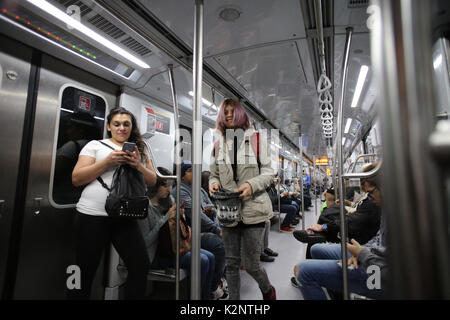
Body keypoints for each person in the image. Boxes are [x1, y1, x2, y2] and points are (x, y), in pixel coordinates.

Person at [70, 107, 157, 299]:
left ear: (131, 126)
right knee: (83, 270)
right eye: (116, 124)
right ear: (109, 126)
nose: (122, 128)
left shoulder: (139, 149)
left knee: (140, 265)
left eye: (126, 124)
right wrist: (107, 162)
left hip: (124, 215)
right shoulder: (95, 146)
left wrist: (137, 165)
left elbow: (152, 181)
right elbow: (77, 178)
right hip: (91, 214)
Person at [209, 98, 276, 300]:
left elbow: (268, 172)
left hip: (253, 209)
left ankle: (267, 289)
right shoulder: (218, 145)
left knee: (252, 264)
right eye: (225, 111)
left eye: (232, 111)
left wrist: (251, 185)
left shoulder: (257, 140)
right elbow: (213, 173)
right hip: (229, 212)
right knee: (231, 263)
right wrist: (213, 183)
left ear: (240, 113)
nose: (228, 114)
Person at [294, 166, 386, 300]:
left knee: (303, 271)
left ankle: (320, 231)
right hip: (368, 253)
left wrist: (362, 254)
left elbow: (351, 223)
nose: (368, 195)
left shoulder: (379, 207)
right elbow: (378, 241)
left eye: (370, 192)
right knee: (316, 248)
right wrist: (363, 252)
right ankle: (319, 232)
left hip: (378, 275)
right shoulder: (382, 206)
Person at [139, 167, 220, 300]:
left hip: (172, 248)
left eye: (171, 186)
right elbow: (146, 241)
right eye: (165, 186)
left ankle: (204, 296)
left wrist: (180, 217)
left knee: (210, 257)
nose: (169, 190)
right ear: (155, 186)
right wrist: (166, 218)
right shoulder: (145, 208)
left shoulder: (169, 200)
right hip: (157, 254)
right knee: (203, 260)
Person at [174, 161, 227, 299]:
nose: (195, 173)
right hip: (193, 232)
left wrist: (211, 212)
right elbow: (195, 214)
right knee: (219, 244)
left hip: (206, 227)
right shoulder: (181, 191)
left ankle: (220, 278)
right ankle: (213, 286)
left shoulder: (200, 190)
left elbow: (211, 207)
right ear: (182, 175)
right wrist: (216, 229)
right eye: (190, 170)